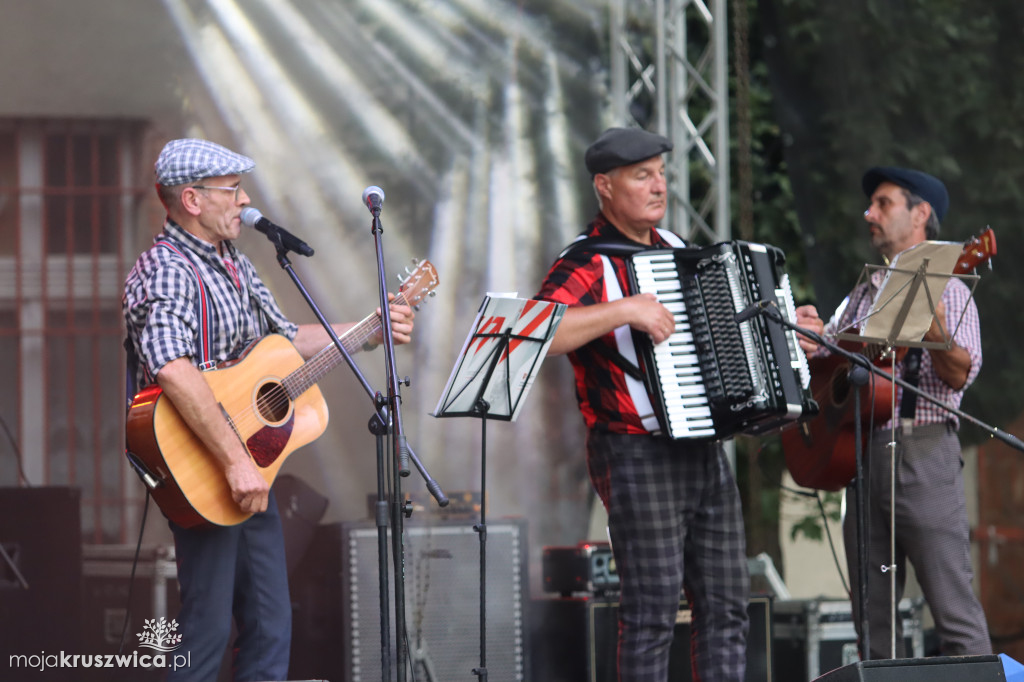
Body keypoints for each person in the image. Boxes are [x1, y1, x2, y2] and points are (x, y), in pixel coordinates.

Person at [534, 127, 821, 682]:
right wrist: (623, 310)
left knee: (727, 609)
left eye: (661, 172)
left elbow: (734, 339)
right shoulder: (588, 262)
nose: (659, 185)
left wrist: (789, 334)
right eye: (642, 175)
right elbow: (539, 331)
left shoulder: (678, 253)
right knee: (651, 615)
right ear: (605, 186)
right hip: (634, 451)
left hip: (702, 448)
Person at [123, 138, 415, 681]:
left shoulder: (234, 264)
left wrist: (370, 331)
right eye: (231, 189)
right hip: (207, 464)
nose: (243, 199)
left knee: (270, 626)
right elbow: (173, 370)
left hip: (250, 464)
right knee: (206, 631)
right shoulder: (165, 269)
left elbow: (284, 341)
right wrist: (234, 460)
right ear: (192, 199)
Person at [821, 166, 991, 659]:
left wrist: (931, 321)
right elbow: (829, 366)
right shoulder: (861, 294)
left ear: (921, 214)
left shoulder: (952, 288)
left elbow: (960, 373)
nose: (868, 214)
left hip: (924, 452)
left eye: (883, 203)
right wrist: (807, 333)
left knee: (954, 612)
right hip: (861, 457)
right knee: (873, 629)